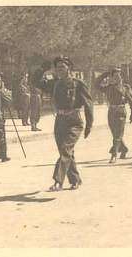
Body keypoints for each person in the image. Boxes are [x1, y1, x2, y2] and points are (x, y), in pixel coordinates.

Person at [34, 56, 94, 191]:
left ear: (69, 68)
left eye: (62, 67)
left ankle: (58, 181)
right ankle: (76, 180)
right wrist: (42, 69)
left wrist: (89, 124)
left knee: (65, 150)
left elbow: (88, 104)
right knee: (66, 152)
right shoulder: (55, 84)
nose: (59, 70)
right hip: (60, 121)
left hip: (74, 121)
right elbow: (36, 82)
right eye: (57, 67)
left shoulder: (78, 84)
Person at [97, 67, 132, 163]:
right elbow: (96, 85)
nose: (117, 77)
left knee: (118, 135)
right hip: (111, 112)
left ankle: (114, 155)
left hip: (121, 111)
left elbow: (131, 101)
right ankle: (124, 148)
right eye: (115, 75)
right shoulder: (108, 88)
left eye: (119, 75)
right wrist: (105, 74)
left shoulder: (125, 88)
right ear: (112, 77)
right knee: (115, 134)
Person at [29, 61, 51, 131]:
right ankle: (33, 126)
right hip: (35, 93)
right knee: (35, 109)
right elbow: (36, 82)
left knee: (37, 109)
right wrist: (45, 81)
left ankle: (34, 125)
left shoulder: (40, 72)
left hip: (37, 92)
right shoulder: (39, 72)